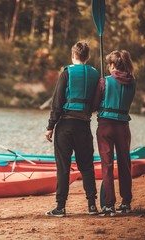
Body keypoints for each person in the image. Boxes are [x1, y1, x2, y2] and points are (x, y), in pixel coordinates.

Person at [45, 40, 100, 217]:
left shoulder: (67, 72)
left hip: (65, 125)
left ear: (73, 55)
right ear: (88, 56)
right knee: (86, 166)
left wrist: (50, 126)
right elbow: (97, 100)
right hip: (84, 125)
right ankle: (92, 205)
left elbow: (57, 101)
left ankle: (60, 208)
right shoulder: (95, 74)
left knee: (63, 167)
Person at [92, 50, 136, 217]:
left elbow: (95, 105)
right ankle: (126, 202)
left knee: (107, 165)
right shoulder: (133, 82)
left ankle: (109, 205)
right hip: (123, 127)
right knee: (125, 164)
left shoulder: (105, 81)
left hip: (105, 127)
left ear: (112, 65)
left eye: (110, 65)